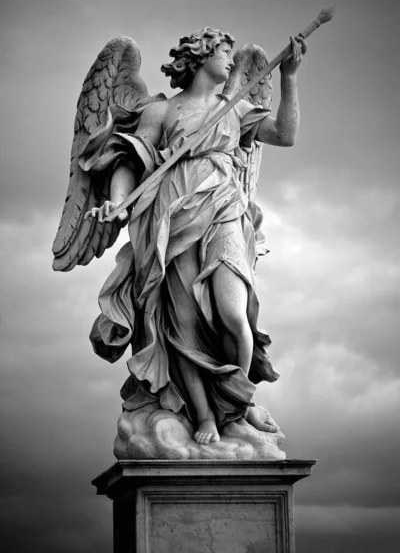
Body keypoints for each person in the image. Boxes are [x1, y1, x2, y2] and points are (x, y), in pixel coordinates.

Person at [83, 27, 307, 445]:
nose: (229, 58)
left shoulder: (235, 108)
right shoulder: (161, 113)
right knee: (181, 324)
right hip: (172, 218)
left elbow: (286, 135)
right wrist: (118, 203)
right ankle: (205, 415)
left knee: (233, 316)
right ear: (200, 56)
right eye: (223, 51)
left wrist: (290, 77)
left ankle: (235, 406)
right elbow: (130, 162)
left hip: (223, 209)